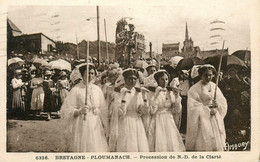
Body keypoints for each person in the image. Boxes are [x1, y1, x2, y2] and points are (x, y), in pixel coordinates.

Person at [60, 63, 108, 152]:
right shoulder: (76, 89)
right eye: (87, 73)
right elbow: (66, 110)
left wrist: (98, 110)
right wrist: (79, 111)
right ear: (82, 74)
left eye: (92, 73)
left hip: (95, 123)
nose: (90, 75)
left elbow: (103, 107)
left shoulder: (97, 89)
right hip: (82, 122)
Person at [185, 65, 227, 151]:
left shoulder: (214, 86)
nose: (208, 77)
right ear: (200, 76)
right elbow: (193, 106)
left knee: (216, 137)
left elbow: (222, 100)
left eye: (210, 75)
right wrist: (206, 110)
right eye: (206, 75)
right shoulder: (194, 89)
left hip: (214, 116)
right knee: (205, 138)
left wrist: (217, 104)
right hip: (202, 118)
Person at [147, 70, 185, 152]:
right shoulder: (153, 93)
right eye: (162, 79)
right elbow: (152, 110)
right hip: (158, 119)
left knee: (171, 141)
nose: (165, 82)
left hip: (169, 119)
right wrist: (156, 95)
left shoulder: (170, 92)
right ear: (157, 80)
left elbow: (177, 110)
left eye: (166, 79)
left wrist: (177, 96)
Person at [115, 68, 149, 152]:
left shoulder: (137, 92)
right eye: (130, 78)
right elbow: (120, 113)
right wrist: (124, 98)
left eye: (135, 79)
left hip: (137, 121)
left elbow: (144, 110)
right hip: (125, 121)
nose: (132, 81)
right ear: (125, 79)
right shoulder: (120, 92)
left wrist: (144, 98)